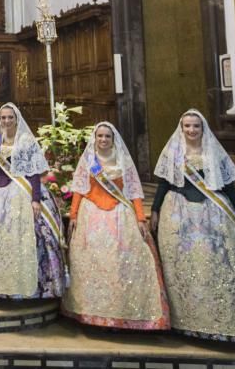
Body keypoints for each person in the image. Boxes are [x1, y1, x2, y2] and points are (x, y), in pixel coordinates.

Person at [150, 110, 235, 341]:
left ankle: (223, 321)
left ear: (203, 129)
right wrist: (155, 210)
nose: (191, 130)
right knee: (185, 265)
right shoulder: (173, 152)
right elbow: (164, 184)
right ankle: (187, 320)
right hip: (180, 214)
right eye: (187, 126)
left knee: (216, 263)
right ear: (181, 129)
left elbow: (229, 188)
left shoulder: (213, 152)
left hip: (213, 214)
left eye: (195, 126)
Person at [62, 122, 169, 330]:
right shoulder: (89, 161)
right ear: (95, 139)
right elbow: (79, 188)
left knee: (121, 259)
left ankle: (122, 312)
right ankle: (91, 312)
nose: (103, 140)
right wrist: (73, 214)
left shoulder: (123, 161)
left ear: (113, 139)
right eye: (99, 136)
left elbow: (134, 191)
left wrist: (140, 218)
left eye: (107, 137)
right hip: (91, 214)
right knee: (93, 261)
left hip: (119, 213)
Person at [0, 103, 65, 300]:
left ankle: (23, 286)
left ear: (17, 119)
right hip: (0, 193)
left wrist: (35, 200)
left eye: (10, 117)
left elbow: (34, 172)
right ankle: (1, 285)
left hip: (22, 193)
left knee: (21, 235)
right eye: (3, 118)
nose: (7, 121)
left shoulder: (26, 140)